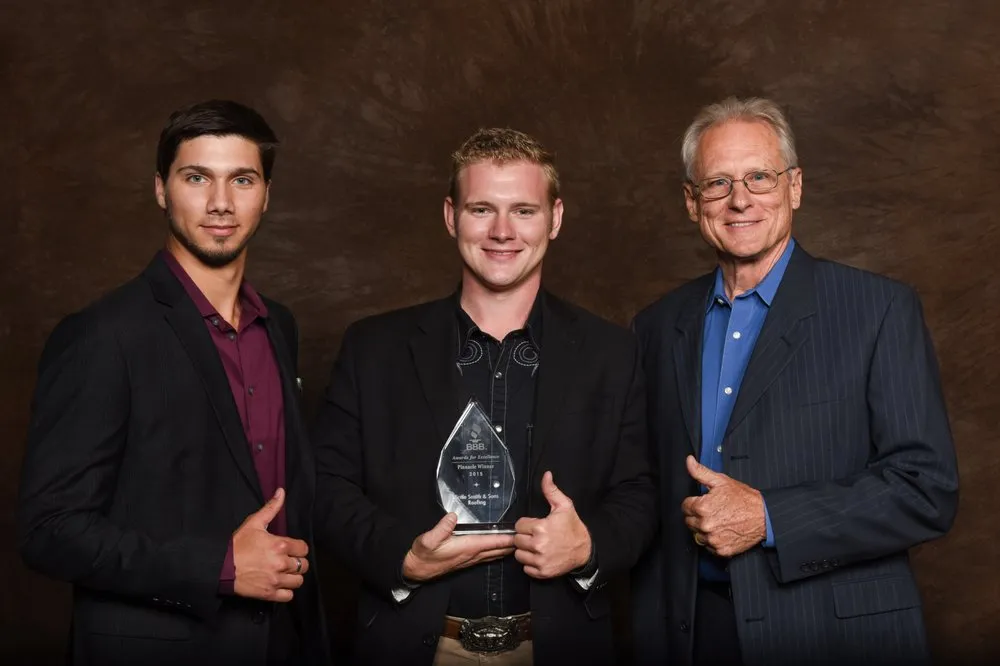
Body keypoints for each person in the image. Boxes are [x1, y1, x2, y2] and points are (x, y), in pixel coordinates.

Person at [630, 96, 959, 666]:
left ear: (795, 187)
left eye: (760, 176)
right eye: (718, 183)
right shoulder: (657, 326)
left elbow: (925, 490)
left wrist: (770, 517)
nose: (740, 200)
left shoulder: (878, 309)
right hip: (689, 632)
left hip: (830, 631)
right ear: (691, 202)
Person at [312, 128, 656, 666]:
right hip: (415, 645)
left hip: (560, 648)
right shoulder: (373, 348)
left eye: (523, 210)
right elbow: (326, 487)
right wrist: (401, 555)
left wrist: (589, 546)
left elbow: (640, 491)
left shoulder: (613, 352)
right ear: (451, 217)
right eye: (481, 209)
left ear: (555, 218)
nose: (501, 231)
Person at [17, 100, 330, 666]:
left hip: (282, 644)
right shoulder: (102, 336)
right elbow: (49, 529)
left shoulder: (278, 324)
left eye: (242, 179)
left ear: (266, 194)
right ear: (161, 189)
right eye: (196, 178)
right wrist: (219, 566)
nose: (220, 203)